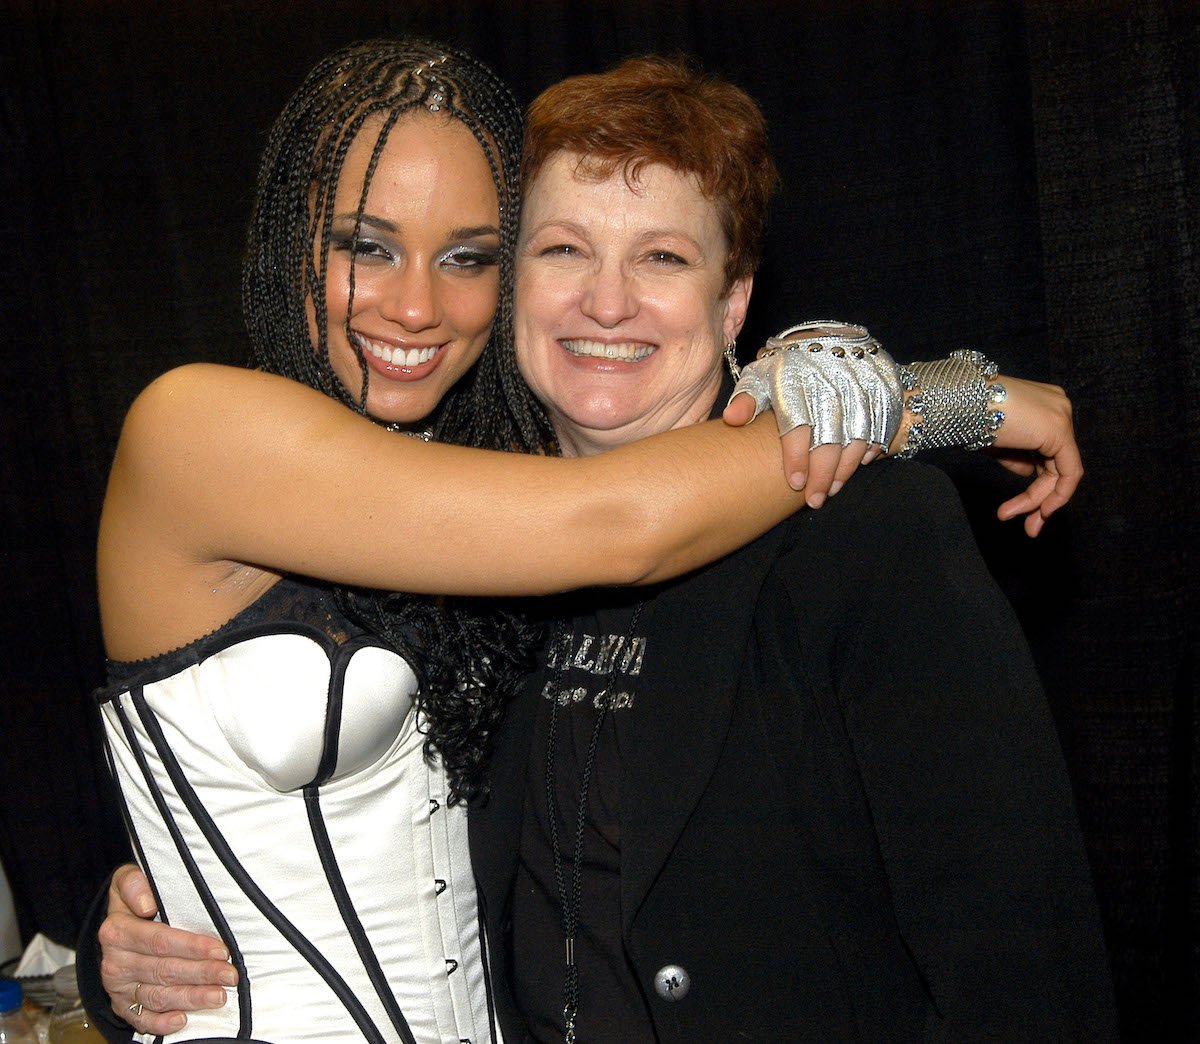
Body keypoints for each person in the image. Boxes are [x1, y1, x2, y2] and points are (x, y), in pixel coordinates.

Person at [83, 44, 1097, 1044]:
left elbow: (1020, 961)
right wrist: (936, 399)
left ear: (734, 298)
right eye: (563, 250)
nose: (416, 304)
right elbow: (620, 524)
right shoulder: (237, 441)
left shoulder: (872, 536)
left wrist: (834, 375)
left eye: (663, 256)